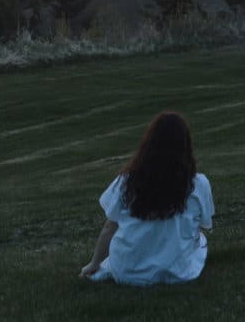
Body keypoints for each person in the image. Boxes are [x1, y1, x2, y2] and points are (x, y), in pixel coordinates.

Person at [80, 111, 215, 286]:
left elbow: (109, 227)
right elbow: (204, 224)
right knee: (201, 239)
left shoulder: (127, 181)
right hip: (177, 273)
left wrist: (95, 263)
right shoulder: (198, 184)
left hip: (127, 272)